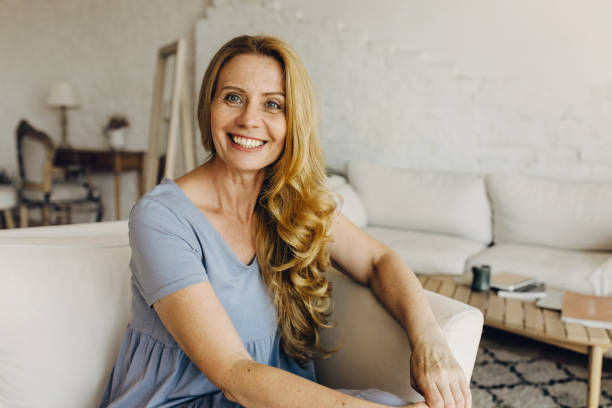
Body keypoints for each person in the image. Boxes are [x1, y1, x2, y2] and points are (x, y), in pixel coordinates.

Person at [99, 35, 471, 408]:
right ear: (208, 106)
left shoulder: (291, 202)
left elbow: (378, 262)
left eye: (272, 105)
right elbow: (233, 373)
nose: (249, 120)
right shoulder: (161, 217)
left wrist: (429, 339)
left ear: (294, 120)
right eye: (233, 98)